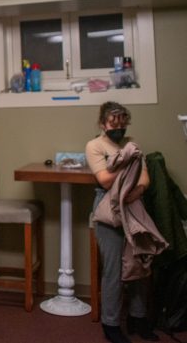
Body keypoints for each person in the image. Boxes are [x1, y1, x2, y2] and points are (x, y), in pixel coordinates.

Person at [85, 101, 159, 343]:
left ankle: (138, 318)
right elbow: (105, 181)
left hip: (133, 205)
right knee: (114, 269)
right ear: (102, 124)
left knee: (140, 261)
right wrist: (128, 162)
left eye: (122, 123)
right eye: (113, 123)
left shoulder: (131, 144)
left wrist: (131, 193)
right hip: (108, 209)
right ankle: (111, 324)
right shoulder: (95, 146)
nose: (118, 128)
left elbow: (144, 179)